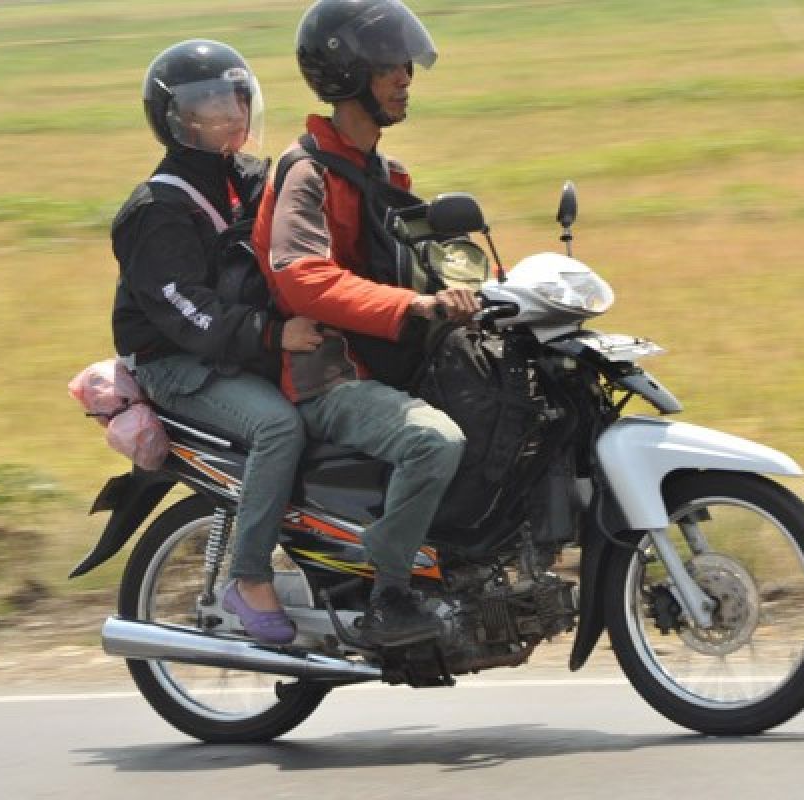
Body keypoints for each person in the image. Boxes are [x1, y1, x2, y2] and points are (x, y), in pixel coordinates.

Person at [252, 0, 478, 646]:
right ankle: (390, 593)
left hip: (388, 362)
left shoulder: (384, 174)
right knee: (432, 441)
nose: (405, 77)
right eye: (388, 66)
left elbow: (427, 267)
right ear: (348, 75)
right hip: (330, 377)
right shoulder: (307, 174)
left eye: (406, 64)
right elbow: (301, 274)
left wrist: (475, 295)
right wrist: (408, 307)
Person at [111, 39, 324, 645]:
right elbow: (187, 314)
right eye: (207, 102)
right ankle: (248, 578)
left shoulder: (244, 179)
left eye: (233, 97)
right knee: (279, 427)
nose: (228, 112)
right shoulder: (158, 209)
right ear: (174, 118)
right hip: (177, 363)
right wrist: (274, 333)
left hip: (233, 347)